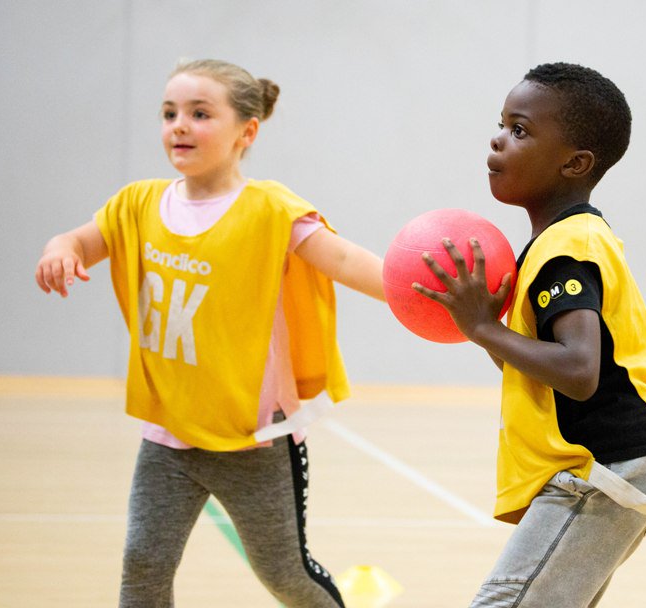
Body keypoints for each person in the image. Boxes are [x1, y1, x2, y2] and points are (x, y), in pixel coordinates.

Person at [35, 59, 385, 607]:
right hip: (170, 435)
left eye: (200, 114)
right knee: (143, 565)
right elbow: (78, 241)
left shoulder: (271, 209)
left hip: (254, 438)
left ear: (247, 131)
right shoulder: (137, 204)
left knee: (285, 575)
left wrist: (431, 295)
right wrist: (61, 249)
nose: (179, 125)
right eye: (170, 112)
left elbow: (346, 260)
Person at [414, 62, 646, 608]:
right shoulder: (566, 239)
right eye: (502, 123)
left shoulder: (568, 248)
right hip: (625, 459)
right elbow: (546, 369)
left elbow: (579, 372)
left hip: (612, 459)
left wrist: (484, 327)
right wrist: (485, 332)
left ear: (575, 163)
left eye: (520, 130)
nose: (498, 137)